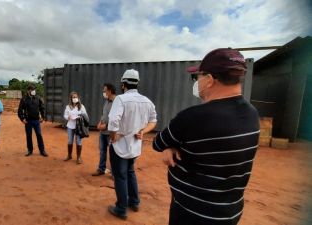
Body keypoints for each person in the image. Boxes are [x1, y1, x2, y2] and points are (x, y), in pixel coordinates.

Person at [152, 48, 259, 225]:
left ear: (209, 80)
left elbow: (158, 143)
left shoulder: (193, 117)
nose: (195, 81)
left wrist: (170, 146)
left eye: (196, 77)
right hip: (230, 212)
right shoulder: (252, 114)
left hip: (193, 212)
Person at [107, 69, 157, 220]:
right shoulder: (146, 101)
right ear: (137, 83)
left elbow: (113, 121)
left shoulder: (120, 99)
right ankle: (134, 202)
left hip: (120, 146)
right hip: (135, 145)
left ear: (123, 84)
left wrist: (113, 136)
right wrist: (143, 131)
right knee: (130, 172)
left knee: (120, 176)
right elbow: (153, 120)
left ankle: (121, 209)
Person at [92, 83, 117, 176]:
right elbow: (104, 114)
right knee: (102, 151)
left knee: (113, 154)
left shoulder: (117, 102)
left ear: (110, 91)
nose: (103, 92)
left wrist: (106, 126)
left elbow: (116, 117)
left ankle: (114, 173)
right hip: (103, 132)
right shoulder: (106, 101)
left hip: (111, 133)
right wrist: (100, 123)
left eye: (104, 90)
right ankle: (101, 169)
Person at [18, 85, 48, 157]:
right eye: (32, 89)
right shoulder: (24, 99)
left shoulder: (38, 98)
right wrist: (22, 119)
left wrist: (42, 117)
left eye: (34, 89)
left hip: (36, 120)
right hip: (28, 121)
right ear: (28, 90)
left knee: (39, 135)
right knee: (29, 136)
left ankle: (42, 150)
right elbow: (20, 110)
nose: (33, 91)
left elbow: (42, 107)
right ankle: (29, 150)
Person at [63, 91, 88, 164]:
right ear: (71, 98)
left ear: (78, 98)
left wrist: (80, 117)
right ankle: (69, 155)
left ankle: (78, 157)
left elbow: (85, 116)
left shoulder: (81, 106)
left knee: (78, 141)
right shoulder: (68, 107)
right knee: (70, 140)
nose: (75, 98)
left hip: (78, 127)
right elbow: (65, 115)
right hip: (70, 126)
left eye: (76, 97)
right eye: (73, 97)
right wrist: (68, 117)